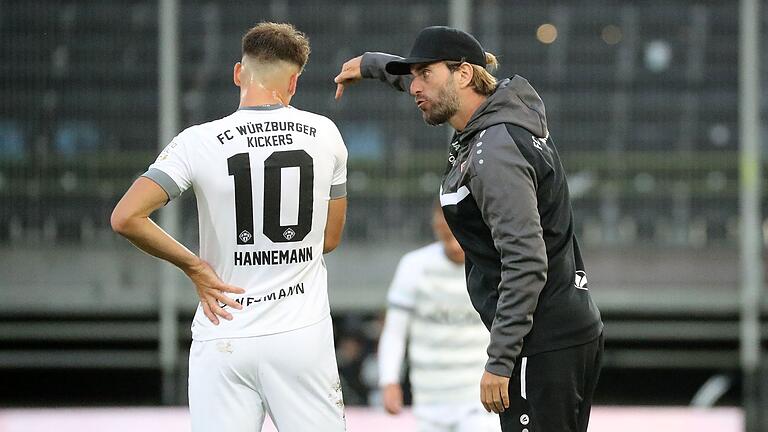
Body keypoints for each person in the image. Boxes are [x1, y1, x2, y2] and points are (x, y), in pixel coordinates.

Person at [334, 26, 603, 432]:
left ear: (463, 74)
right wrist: (374, 66)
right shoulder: (509, 112)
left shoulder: (493, 152)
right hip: (563, 329)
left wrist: (500, 360)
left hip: (540, 343)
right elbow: (430, 83)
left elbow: (527, 261)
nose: (414, 87)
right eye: (412, 76)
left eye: (425, 75)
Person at [111, 22, 348, 432]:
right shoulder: (325, 134)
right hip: (300, 335)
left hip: (224, 332)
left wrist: (196, 268)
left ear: (238, 73)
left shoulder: (196, 141)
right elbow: (328, 239)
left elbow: (126, 217)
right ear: (294, 82)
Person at [378, 204, 500, 432]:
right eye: (446, 234)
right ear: (436, 227)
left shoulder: (493, 267)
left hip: (480, 402)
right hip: (429, 401)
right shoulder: (414, 266)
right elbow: (394, 332)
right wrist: (388, 380)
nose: (454, 242)